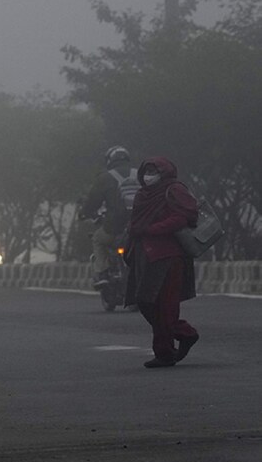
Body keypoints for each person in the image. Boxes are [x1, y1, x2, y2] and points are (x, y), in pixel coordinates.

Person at [124, 157, 200, 368]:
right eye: (146, 171)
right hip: (144, 256)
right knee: (145, 302)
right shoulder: (142, 194)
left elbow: (183, 217)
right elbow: (134, 223)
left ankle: (165, 352)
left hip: (168, 256)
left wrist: (152, 229)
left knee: (165, 306)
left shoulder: (174, 190)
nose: (148, 175)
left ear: (164, 172)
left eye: (153, 171)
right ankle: (184, 334)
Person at [80, 146, 139, 289]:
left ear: (109, 160)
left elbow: (93, 202)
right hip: (142, 225)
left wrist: (84, 213)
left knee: (98, 240)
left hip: (115, 226)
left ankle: (103, 274)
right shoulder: (140, 174)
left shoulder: (105, 178)